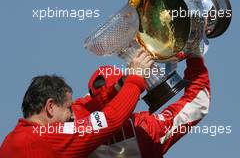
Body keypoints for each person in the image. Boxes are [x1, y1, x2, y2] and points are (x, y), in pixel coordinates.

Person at [0, 49, 154, 158]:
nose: (73, 116)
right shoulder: (48, 138)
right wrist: (135, 79)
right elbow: (109, 121)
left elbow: (83, 109)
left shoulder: (11, 140)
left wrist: (119, 86)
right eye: (68, 109)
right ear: (50, 107)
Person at [72, 49, 211, 158]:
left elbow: (82, 107)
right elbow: (199, 102)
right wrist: (194, 53)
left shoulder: (71, 127)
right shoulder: (146, 131)